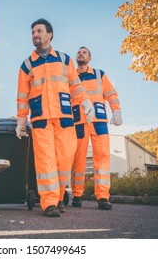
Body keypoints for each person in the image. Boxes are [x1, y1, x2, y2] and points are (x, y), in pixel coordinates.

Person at [16, 19, 94, 217]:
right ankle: (49, 203)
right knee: (45, 161)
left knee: (65, 159)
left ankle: (59, 197)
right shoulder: (26, 65)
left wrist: (85, 102)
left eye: (39, 31)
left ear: (49, 34)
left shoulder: (64, 59)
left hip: (64, 118)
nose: (35, 34)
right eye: (32, 31)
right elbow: (22, 96)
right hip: (41, 119)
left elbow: (75, 85)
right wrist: (21, 121)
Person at [71, 46, 122, 210]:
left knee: (102, 159)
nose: (81, 54)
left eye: (84, 52)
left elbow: (111, 94)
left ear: (90, 58)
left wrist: (117, 111)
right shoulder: (71, 77)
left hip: (99, 121)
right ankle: (77, 195)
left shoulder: (100, 75)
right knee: (77, 160)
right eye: (79, 52)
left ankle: (103, 197)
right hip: (78, 121)